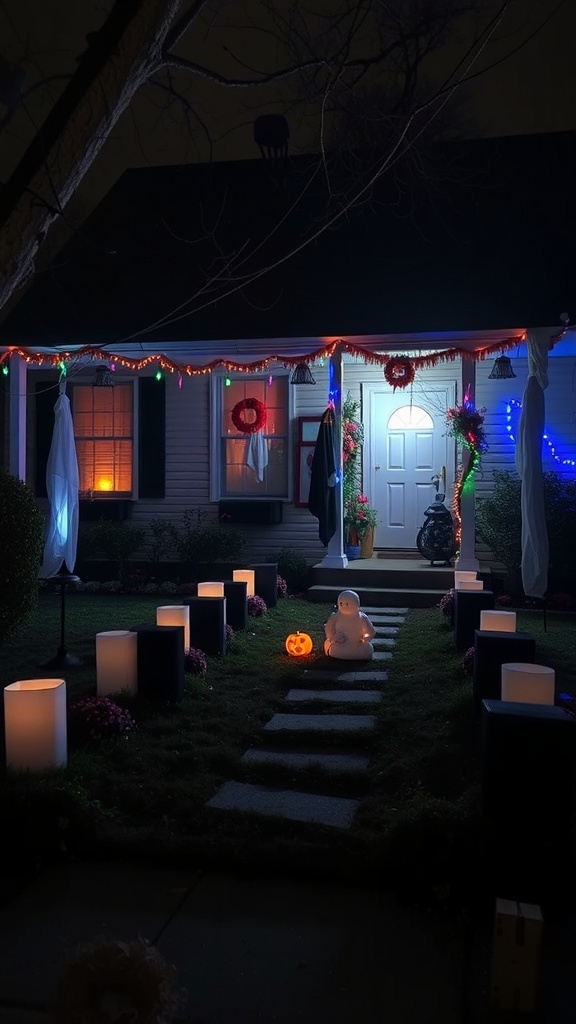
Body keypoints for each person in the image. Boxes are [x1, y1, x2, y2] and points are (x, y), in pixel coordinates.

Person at [324, 589, 375, 660]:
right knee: (334, 649)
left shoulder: (361, 617)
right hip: (340, 643)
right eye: (341, 603)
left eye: (347, 604)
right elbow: (329, 628)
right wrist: (333, 637)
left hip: (357, 644)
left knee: (366, 651)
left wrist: (366, 638)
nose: (344, 606)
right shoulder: (336, 617)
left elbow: (370, 631)